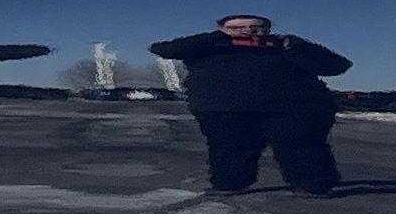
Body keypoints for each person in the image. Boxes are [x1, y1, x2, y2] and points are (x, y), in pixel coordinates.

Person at [149, 13, 352, 195]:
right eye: (238, 28)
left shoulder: (286, 47)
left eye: (257, 27)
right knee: (230, 148)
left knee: (303, 147)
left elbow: (338, 65)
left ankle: (314, 186)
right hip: (223, 107)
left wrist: (300, 47)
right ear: (221, 29)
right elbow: (164, 49)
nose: (248, 31)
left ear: (268, 29)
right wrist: (217, 38)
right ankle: (229, 184)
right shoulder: (207, 47)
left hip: (296, 107)